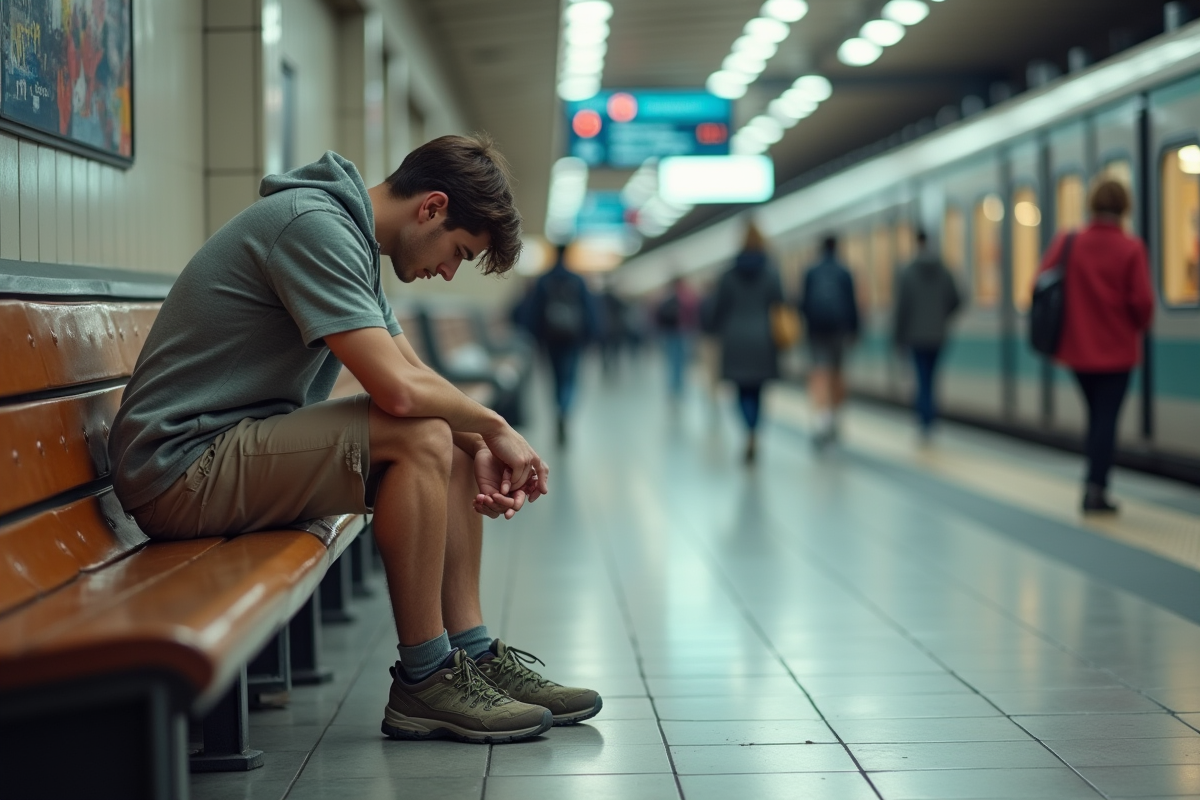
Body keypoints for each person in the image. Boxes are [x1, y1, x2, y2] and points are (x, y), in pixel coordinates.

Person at [109, 135, 601, 745]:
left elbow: (416, 374)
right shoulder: (312, 228)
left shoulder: (351, 238)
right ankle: (426, 677)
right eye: (457, 252)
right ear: (432, 207)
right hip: (180, 469)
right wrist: (497, 426)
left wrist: (474, 440)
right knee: (421, 430)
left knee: (443, 438)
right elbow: (399, 393)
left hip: (226, 450)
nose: (447, 271)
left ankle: (470, 653)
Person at [1037, 179, 1153, 514]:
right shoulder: (1131, 248)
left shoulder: (1068, 242)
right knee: (1105, 420)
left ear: (1092, 205)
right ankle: (1095, 489)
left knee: (1096, 417)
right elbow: (1143, 303)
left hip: (1077, 350)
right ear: (1124, 208)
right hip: (1117, 351)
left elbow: (1041, 283)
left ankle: (1093, 483)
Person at [708, 224, 784, 463]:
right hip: (763, 338)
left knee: (741, 390)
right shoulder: (771, 272)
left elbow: (717, 310)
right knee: (759, 390)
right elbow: (781, 303)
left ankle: (747, 430)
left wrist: (714, 331)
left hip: (735, 338)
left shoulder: (728, 274)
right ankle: (755, 431)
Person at [892, 229, 962, 440]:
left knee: (921, 377)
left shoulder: (908, 272)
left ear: (916, 242)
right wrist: (941, 317)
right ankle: (931, 417)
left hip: (915, 335)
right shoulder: (944, 270)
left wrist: (898, 336)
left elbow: (902, 308)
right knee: (932, 377)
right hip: (938, 335)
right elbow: (957, 299)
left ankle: (924, 420)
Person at [530, 244, 597, 445]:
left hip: (550, 339)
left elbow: (533, 312)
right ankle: (565, 409)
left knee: (555, 378)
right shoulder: (577, 280)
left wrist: (537, 338)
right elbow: (589, 310)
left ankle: (558, 408)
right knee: (570, 377)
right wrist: (591, 337)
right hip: (573, 338)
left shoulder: (544, 280)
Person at [798, 235, 860, 447]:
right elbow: (852, 305)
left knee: (820, 374)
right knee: (837, 373)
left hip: (816, 332)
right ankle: (836, 418)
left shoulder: (810, 272)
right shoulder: (844, 272)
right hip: (839, 331)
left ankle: (822, 421)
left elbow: (803, 304)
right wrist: (854, 330)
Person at [654, 276, 700, 399]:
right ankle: (678, 386)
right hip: (682, 331)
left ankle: (674, 386)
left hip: (670, 332)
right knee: (679, 361)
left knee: (672, 360)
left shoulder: (664, 297)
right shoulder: (686, 296)